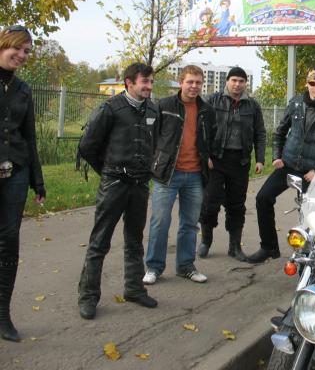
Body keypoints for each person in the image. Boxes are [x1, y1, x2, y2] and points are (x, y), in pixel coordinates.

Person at [77, 63, 158, 320]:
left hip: (140, 185)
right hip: (114, 184)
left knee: (135, 240)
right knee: (99, 242)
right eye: (144, 81)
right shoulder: (110, 108)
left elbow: (155, 142)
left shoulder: (153, 109)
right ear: (129, 82)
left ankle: (134, 289)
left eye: (151, 81)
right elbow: (87, 146)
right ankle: (88, 297)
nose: (149, 86)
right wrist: (108, 171)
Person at [247, 67, 315, 264]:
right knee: (263, 198)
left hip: (313, 173)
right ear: (306, 84)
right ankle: (269, 247)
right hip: (288, 165)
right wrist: (277, 157)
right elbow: (279, 133)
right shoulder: (295, 104)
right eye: (312, 83)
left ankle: (311, 256)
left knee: (313, 215)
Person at [143, 65, 214, 285]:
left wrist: (208, 156)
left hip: (195, 175)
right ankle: (154, 267)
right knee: (160, 222)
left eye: (198, 82)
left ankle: (185, 266)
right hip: (167, 174)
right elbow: (151, 137)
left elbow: (211, 137)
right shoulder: (164, 105)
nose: (194, 86)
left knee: (190, 224)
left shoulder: (207, 110)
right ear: (181, 82)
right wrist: (155, 162)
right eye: (190, 82)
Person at [0, 25, 46, 341]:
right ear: (4, 44)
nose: (22, 55)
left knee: (8, 243)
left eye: (27, 51)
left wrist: (37, 181)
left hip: (15, 173)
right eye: (17, 48)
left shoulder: (23, 89)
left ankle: (2, 314)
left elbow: (29, 137)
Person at [198, 66, 266, 261]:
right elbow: (201, 129)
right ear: (227, 81)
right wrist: (205, 156)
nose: (237, 84)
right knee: (210, 203)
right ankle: (206, 240)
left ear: (246, 84)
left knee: (236, 205)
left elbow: (260, 133)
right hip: (215, 161)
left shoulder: (252, 106)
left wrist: (260, 159)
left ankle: (234, 246)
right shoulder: (213, 100)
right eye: (234, 80)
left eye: (241, 81)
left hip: (240, 162)